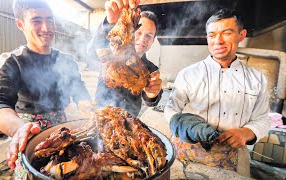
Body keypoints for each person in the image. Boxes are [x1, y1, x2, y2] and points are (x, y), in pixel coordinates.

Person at [0, 0, 91, 178]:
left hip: (63, 132)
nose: (47, 27)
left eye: (50, 20)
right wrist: (19, 129)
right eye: (36, 21)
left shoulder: (66, 60)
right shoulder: (13, 61)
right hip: (28, 133)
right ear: (21, 25)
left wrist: (90, 109)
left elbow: (80, 92)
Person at [164, 8, 270, 176]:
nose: (218, 41)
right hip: (187, 157)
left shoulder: (257, 78)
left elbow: (263, 119)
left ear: (241, 35)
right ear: (207, 39)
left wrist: (247, 132)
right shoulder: (188, 74)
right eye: (212, 35)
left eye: (226, 33)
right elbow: (171, 110)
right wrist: (188, 126)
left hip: (233, 157)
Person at [87, 0, 163, 117]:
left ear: (153, 40)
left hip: (129, 120)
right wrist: (109, 23)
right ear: (132, 31)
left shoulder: (151, 69)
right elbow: (92, 52)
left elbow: (152, 100)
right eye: (139, 32)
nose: (143, 38)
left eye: (149, 35)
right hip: (102, 115)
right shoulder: (112, 52)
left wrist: (153, 94)